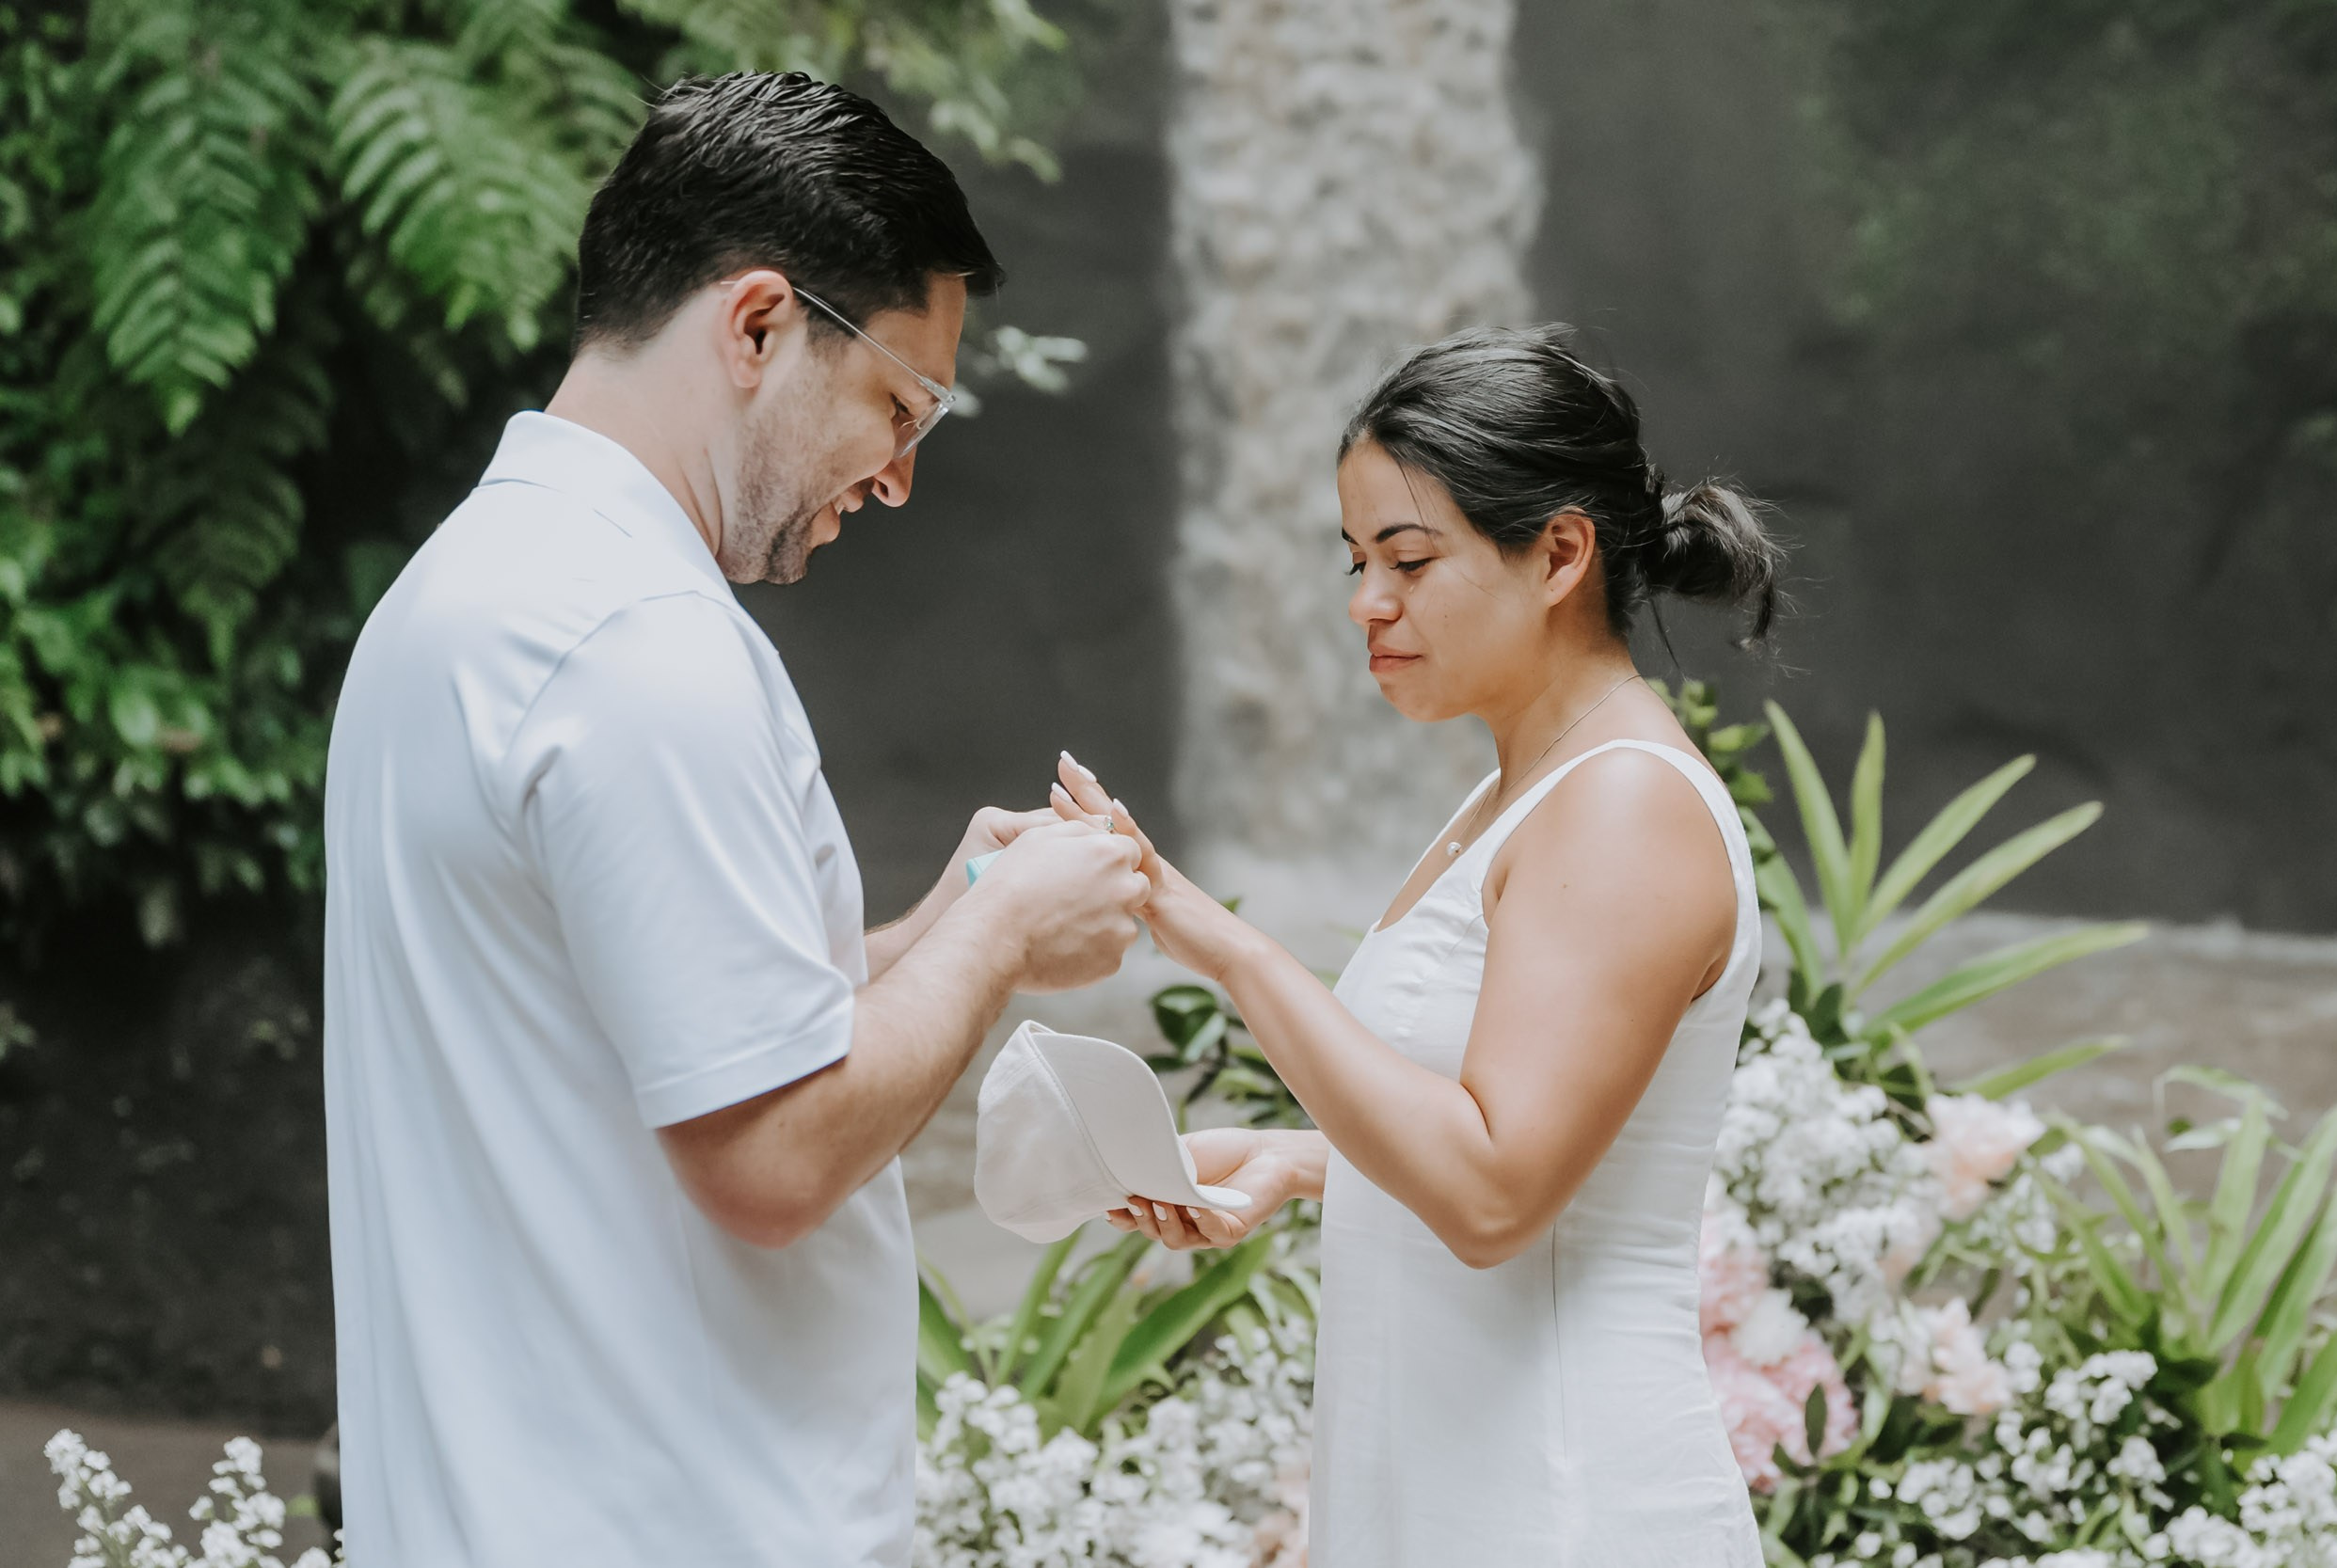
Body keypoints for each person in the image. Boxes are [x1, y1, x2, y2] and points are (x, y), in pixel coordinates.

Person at [322, 72, 1149, 1567]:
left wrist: (947, 920)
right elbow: (768, 1158)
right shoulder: (641, 644)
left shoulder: (466, 588)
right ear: (760, 324)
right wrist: (1010, 938)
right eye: (900, 406)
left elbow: (673, 1035)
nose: (897, 480)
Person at [1057, 325, 1781, 1565]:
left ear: (1559, 553)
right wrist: (1298, 1163)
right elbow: (1546, 1146)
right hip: (1444, 1490)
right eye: (1355, 559)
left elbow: (1498, 1195)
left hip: (1561, 1505)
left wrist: (1222, 948)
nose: (1366, 604)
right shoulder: (1518, 791)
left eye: (1409, 558)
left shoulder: (1623, 806)